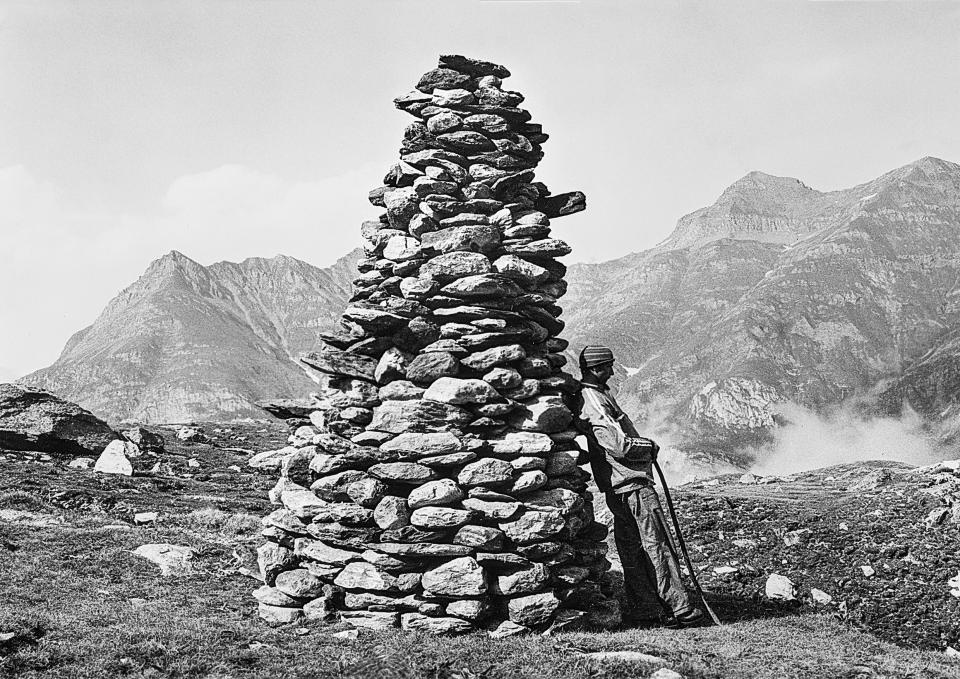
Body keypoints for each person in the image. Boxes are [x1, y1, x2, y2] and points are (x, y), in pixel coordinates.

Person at [572, 344, 703, 628]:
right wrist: (649, 446)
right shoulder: (593, 399)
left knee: (633, 549)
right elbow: (618, 445)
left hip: (618, 486)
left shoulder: (596, 396)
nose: (611, 371)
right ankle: (679, 608)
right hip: (631, 483)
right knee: (656, 544)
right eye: (608, 366)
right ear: (597, 369)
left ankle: (646, 609)